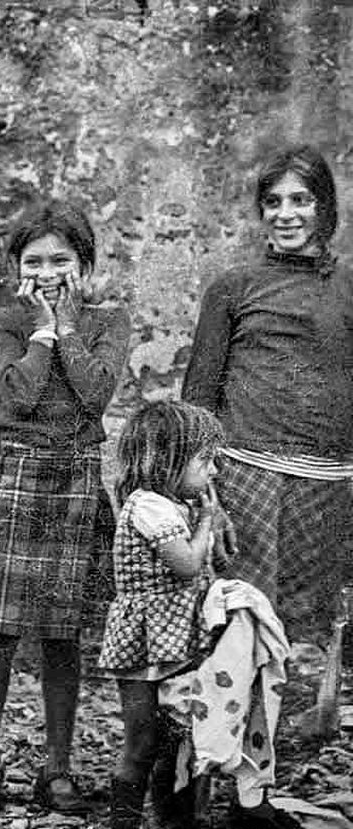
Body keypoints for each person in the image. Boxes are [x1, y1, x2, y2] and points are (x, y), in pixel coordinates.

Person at [0, 200, 131, 813]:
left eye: (62, 260)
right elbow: (17, 396)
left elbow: (95, 393)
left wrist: (69, 327)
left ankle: (59, 768)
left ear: (86, 264)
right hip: (15, 474)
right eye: (34, 261)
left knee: (62, 635)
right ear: (17, 268)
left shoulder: (110, 322)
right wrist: (43, 331)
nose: (49, 272)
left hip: (74, 478)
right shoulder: (4, 323)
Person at [183, 145, 353, 648]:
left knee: (309, 628)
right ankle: (238, 727)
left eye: (300, 200)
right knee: (243, 615)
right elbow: (198, 397)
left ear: (325, 207)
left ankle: (301, 726)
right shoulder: (234, 287)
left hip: (327, 483)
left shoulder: (347, 287)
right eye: (273, 202)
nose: (286, 215)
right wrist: (206, 496)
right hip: (245, 477)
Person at [99, 401, 236, 829]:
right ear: (166, 460)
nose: (214, 470)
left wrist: (214, 523)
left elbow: (211, 565)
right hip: (145, 645)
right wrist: (206, 525)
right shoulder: (148, 507)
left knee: (185, 738)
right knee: (142, 743)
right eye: (205, 460)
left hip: (181, 640)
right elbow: (186, 564)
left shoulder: (182, 501)